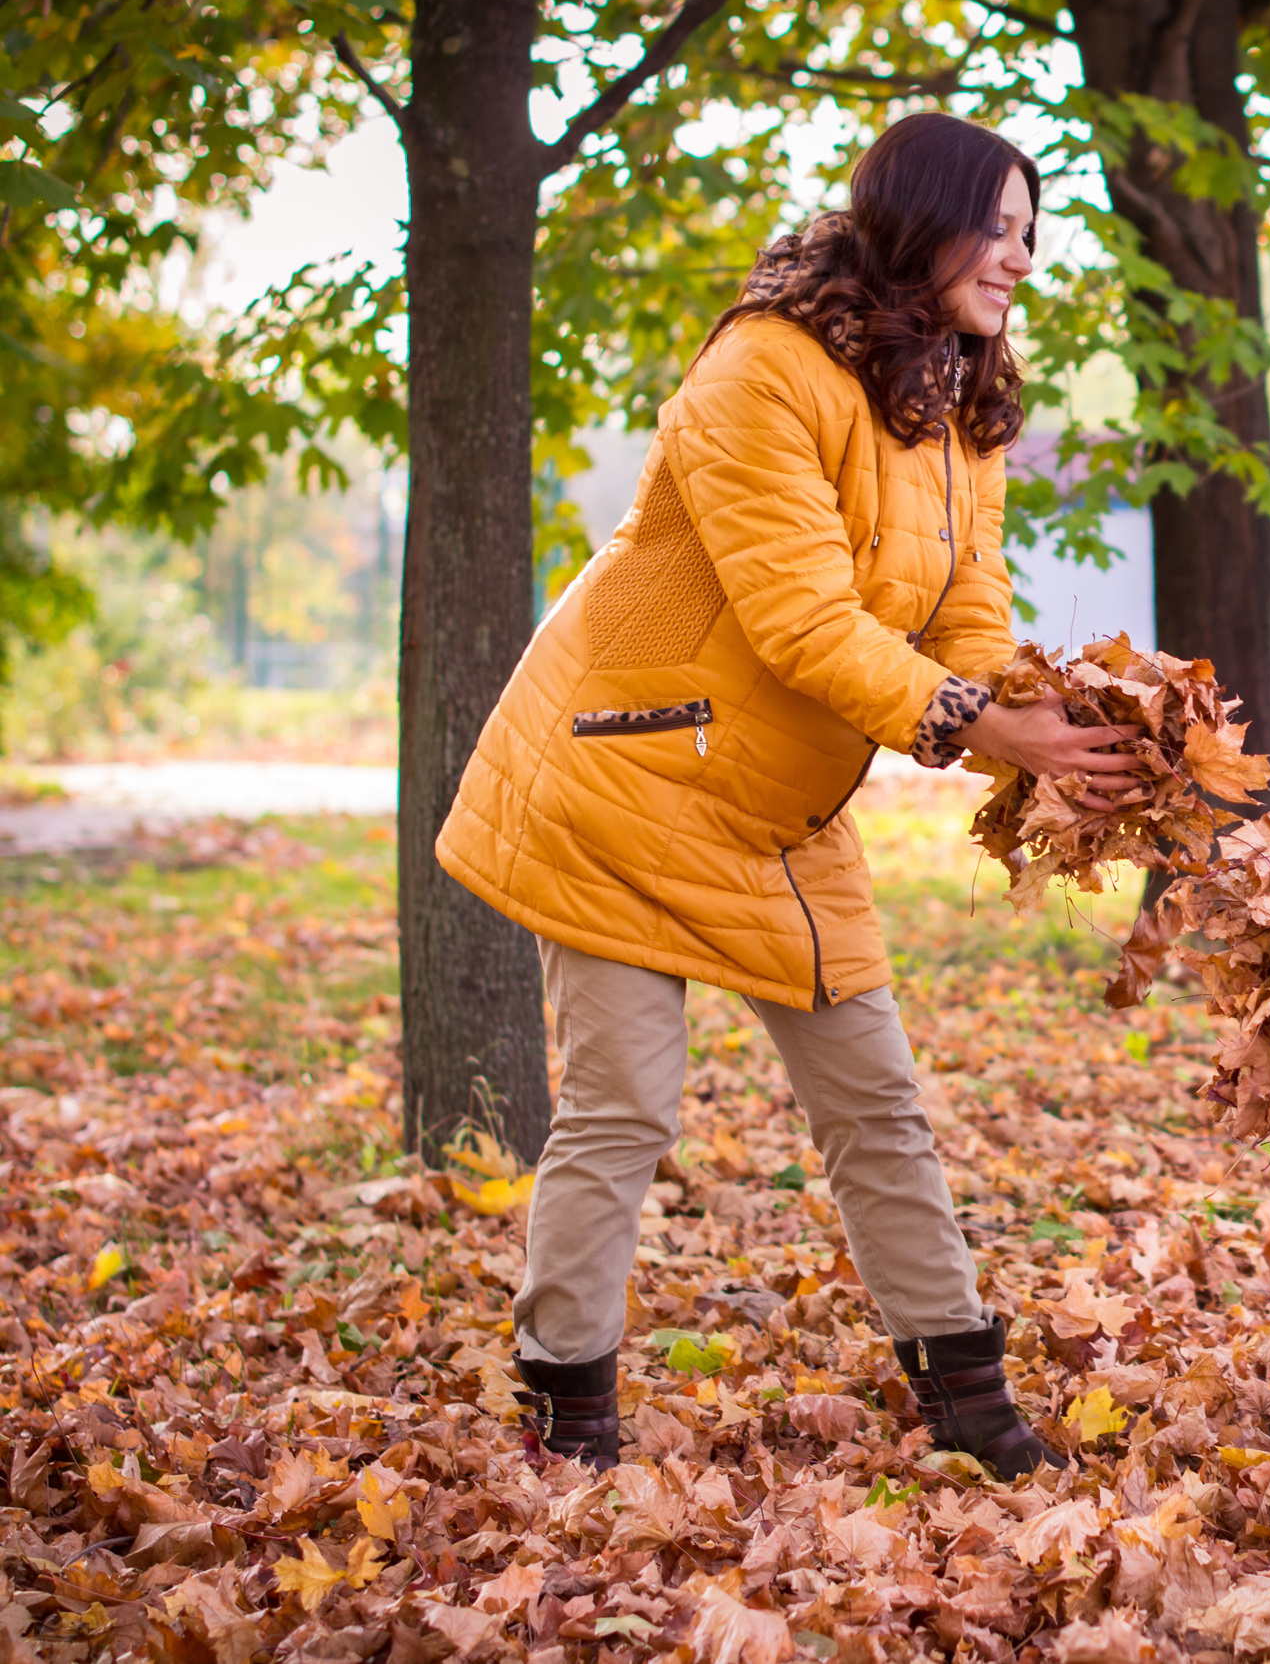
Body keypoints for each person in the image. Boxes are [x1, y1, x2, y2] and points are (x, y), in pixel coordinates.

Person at [436, 113, 1135, 1475]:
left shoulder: (959, 406)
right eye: (996, 229)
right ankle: (567, 1412)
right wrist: (988, 729)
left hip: (775, 807)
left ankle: (969, 1402)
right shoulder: (763, 367)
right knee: (624, 1106)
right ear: (920, 222)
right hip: (621, 774)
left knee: (877, 1101)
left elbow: (968, 613)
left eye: (1030, 235)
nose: (1020, 260)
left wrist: (1049, 730)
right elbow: (801, 623)